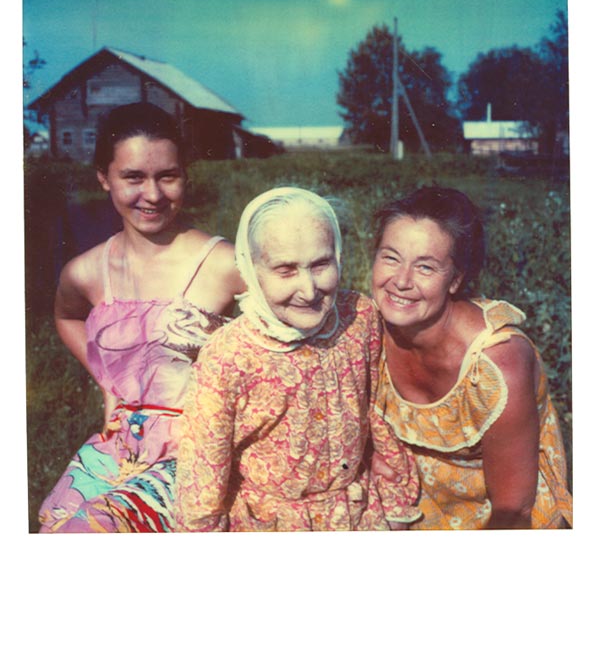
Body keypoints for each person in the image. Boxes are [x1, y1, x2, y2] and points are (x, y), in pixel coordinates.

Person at [38, 102, 245, 533]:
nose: (152, 195)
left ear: (185, 175)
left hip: (197, 455)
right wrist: (107, 381)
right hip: (120, 445)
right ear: (104, 178)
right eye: (133, 177)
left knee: (90, 531)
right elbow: (67, 317)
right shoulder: (85, 271)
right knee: (54, 526)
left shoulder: (226, 264)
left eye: (167, 176)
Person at [174, 186, 420, 532]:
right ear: (251, 270)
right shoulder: (229, 355)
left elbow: (382, 412)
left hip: (358, 513)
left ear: (338, 256)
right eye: (286, 270)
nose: (309, 289)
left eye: (320, 264)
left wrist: (395, 504)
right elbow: (202, 469)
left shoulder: (360, 319)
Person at [370, 185, 573, 529]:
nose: (401, 281)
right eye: (390, 258)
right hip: (411, 512)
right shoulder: (366, 329)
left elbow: (513, 510)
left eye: (425, 267)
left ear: (456, 279)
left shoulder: (496, 365)